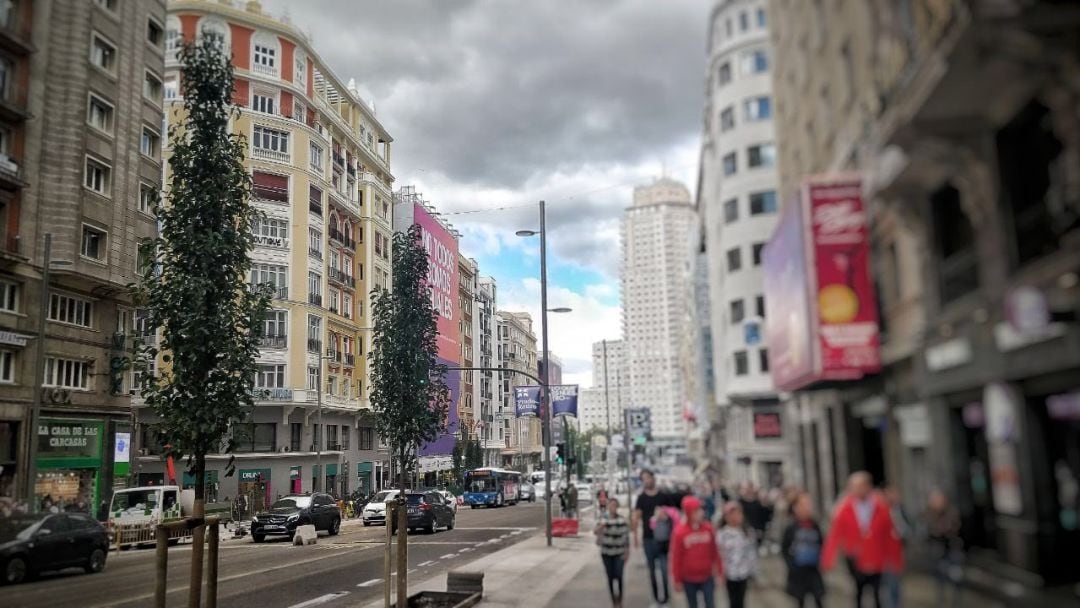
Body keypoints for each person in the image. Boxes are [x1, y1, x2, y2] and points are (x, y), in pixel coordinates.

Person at [822, 472, 903, 608]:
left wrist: (895, 559)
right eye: (853, 487)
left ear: (867, 487)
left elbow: (889, 535)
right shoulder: (845, 508)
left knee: (877, 591)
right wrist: (829, 558)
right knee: (859, 590)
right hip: (855, 558)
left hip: (877, 557)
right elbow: (835, 534)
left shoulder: (880, 507)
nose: (856, 490)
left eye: (859, 486)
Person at [632, 469, 676, 607]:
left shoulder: (663, 496)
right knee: (651, 570)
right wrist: (635, 537)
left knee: (663, 570)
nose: (646, 481)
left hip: (663, 539)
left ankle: (666, 599)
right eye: (643, 479)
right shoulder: (641, 498)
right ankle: (656, 599)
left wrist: (665, 516)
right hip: (648, 538)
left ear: (653, 478)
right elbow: (636, 516)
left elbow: (673, 514)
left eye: (648, 478)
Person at [670, 495, 723, 608]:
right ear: (689, 513)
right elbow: (676, 557)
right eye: (696, 511)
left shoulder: (708, 529)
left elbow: (715, 552)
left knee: (710, 604)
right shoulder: (680, 532)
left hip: (707, 576)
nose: (700, 513)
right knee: (692, 604)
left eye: (700, 510)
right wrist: (677, 580)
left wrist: (720, 572)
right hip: (689, 578)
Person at [782, 493, 826, 608]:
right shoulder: (791, 527)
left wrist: (822, 559)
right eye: (803, 505)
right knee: (800, 598)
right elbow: (785, 547)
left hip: (813, 569)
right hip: (798, 570)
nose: (807, 508)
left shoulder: (814, 524)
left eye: (808, 505)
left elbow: (821, 543)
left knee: (818, 597)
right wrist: (790, 564)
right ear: (796, 508)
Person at [924, 489, 963, 606]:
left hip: (952, 548)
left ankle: (956, 601)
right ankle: (941, 600)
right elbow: (930, 530)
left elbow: (953, 528)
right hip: (937, 550)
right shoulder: (930, 513)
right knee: (939, 576)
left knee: (955, 576)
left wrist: (942, 529)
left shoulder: (952, 512)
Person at [717, 501, 757, 608]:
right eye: (731, 514)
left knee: (741, 600)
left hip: (744, 573)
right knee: (733, 601)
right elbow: (719, 555)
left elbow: (752, 553)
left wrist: (753, 572)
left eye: (738, 514)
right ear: (726, 517)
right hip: (729, 574)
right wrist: (720, 572)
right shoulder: (722, 534)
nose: (735, 517)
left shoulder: (748, 532)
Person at [595, 497, 630, 608]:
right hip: (606, 552)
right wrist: (600, 528)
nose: (612, 508)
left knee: (619, 575)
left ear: (617, 507)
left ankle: (620, 599)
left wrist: (627, 552)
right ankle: (613, 600)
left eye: (614, 505)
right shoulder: (603, 519)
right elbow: (595, 532)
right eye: (610, 505)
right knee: (610, 577)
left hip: (619, 552)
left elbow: (626, 538)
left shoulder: (622, 520)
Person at [883, 486, 912, 608]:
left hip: (899, 550)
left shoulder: (901, 510)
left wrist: (900, 531)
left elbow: (908, 528)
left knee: (896, 580)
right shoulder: (882, 510)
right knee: (890, 581)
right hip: (886, 552)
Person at [737, 482, 772, 548]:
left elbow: (766, 516)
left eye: (750, 488)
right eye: (746, 489)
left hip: (759, 530)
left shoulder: (759, 503)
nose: (748, 491)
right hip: (745, 530)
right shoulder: (740, 502)